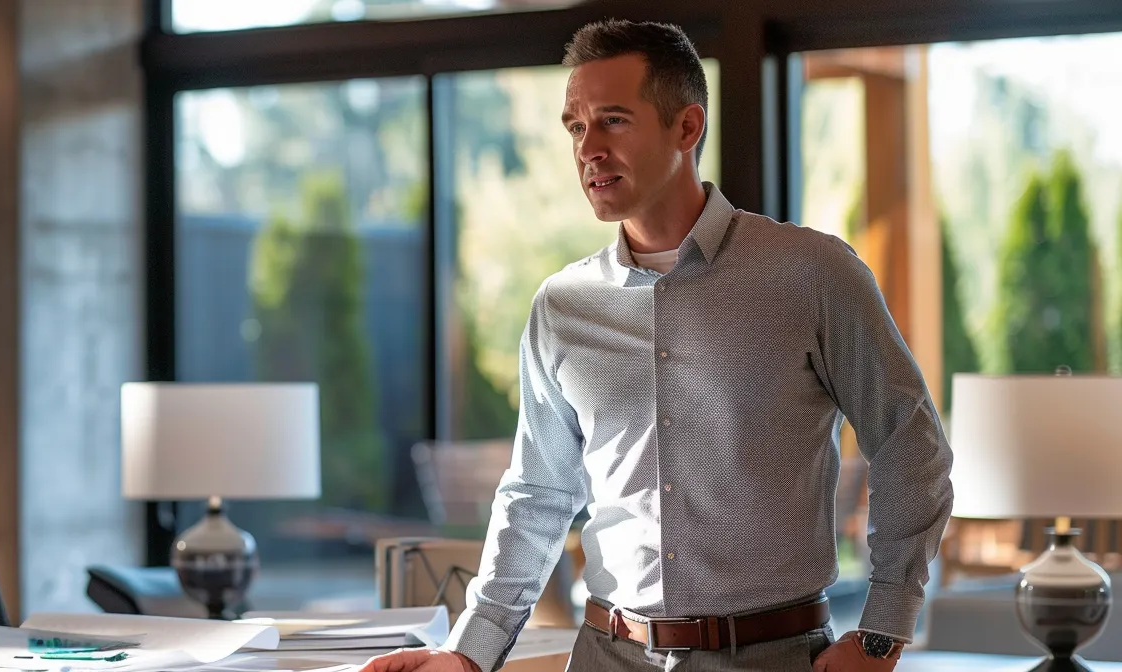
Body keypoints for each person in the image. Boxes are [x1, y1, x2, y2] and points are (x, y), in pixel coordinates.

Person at [357, 19, 953, 672]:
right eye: (576, 127)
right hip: (605, 655)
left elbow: (910, 443)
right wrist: (467, 654)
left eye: (613, 121)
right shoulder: (562, 307)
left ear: (686, 128)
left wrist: (881, 634)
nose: (589, 149)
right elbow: (537, 495)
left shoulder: (813, 274)